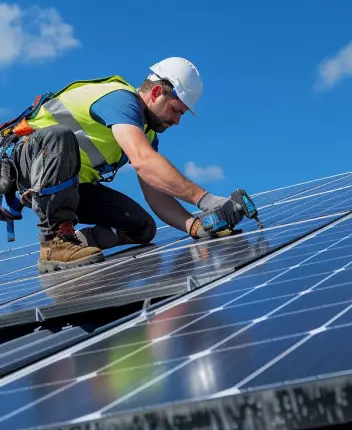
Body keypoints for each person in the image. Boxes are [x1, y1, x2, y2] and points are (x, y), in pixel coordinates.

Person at [0, 57, 245, 273]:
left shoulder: (147, 134)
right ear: (157, 91)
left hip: (65, 187)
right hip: (28, 165)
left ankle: (76, 241)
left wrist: (194, 225)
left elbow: (155, 192)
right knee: (59, 136)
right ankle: (55, 241)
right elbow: (143, 162)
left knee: (142, 228)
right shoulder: (120, 99)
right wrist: (207, 200)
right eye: (175, 110)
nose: (177, 121)